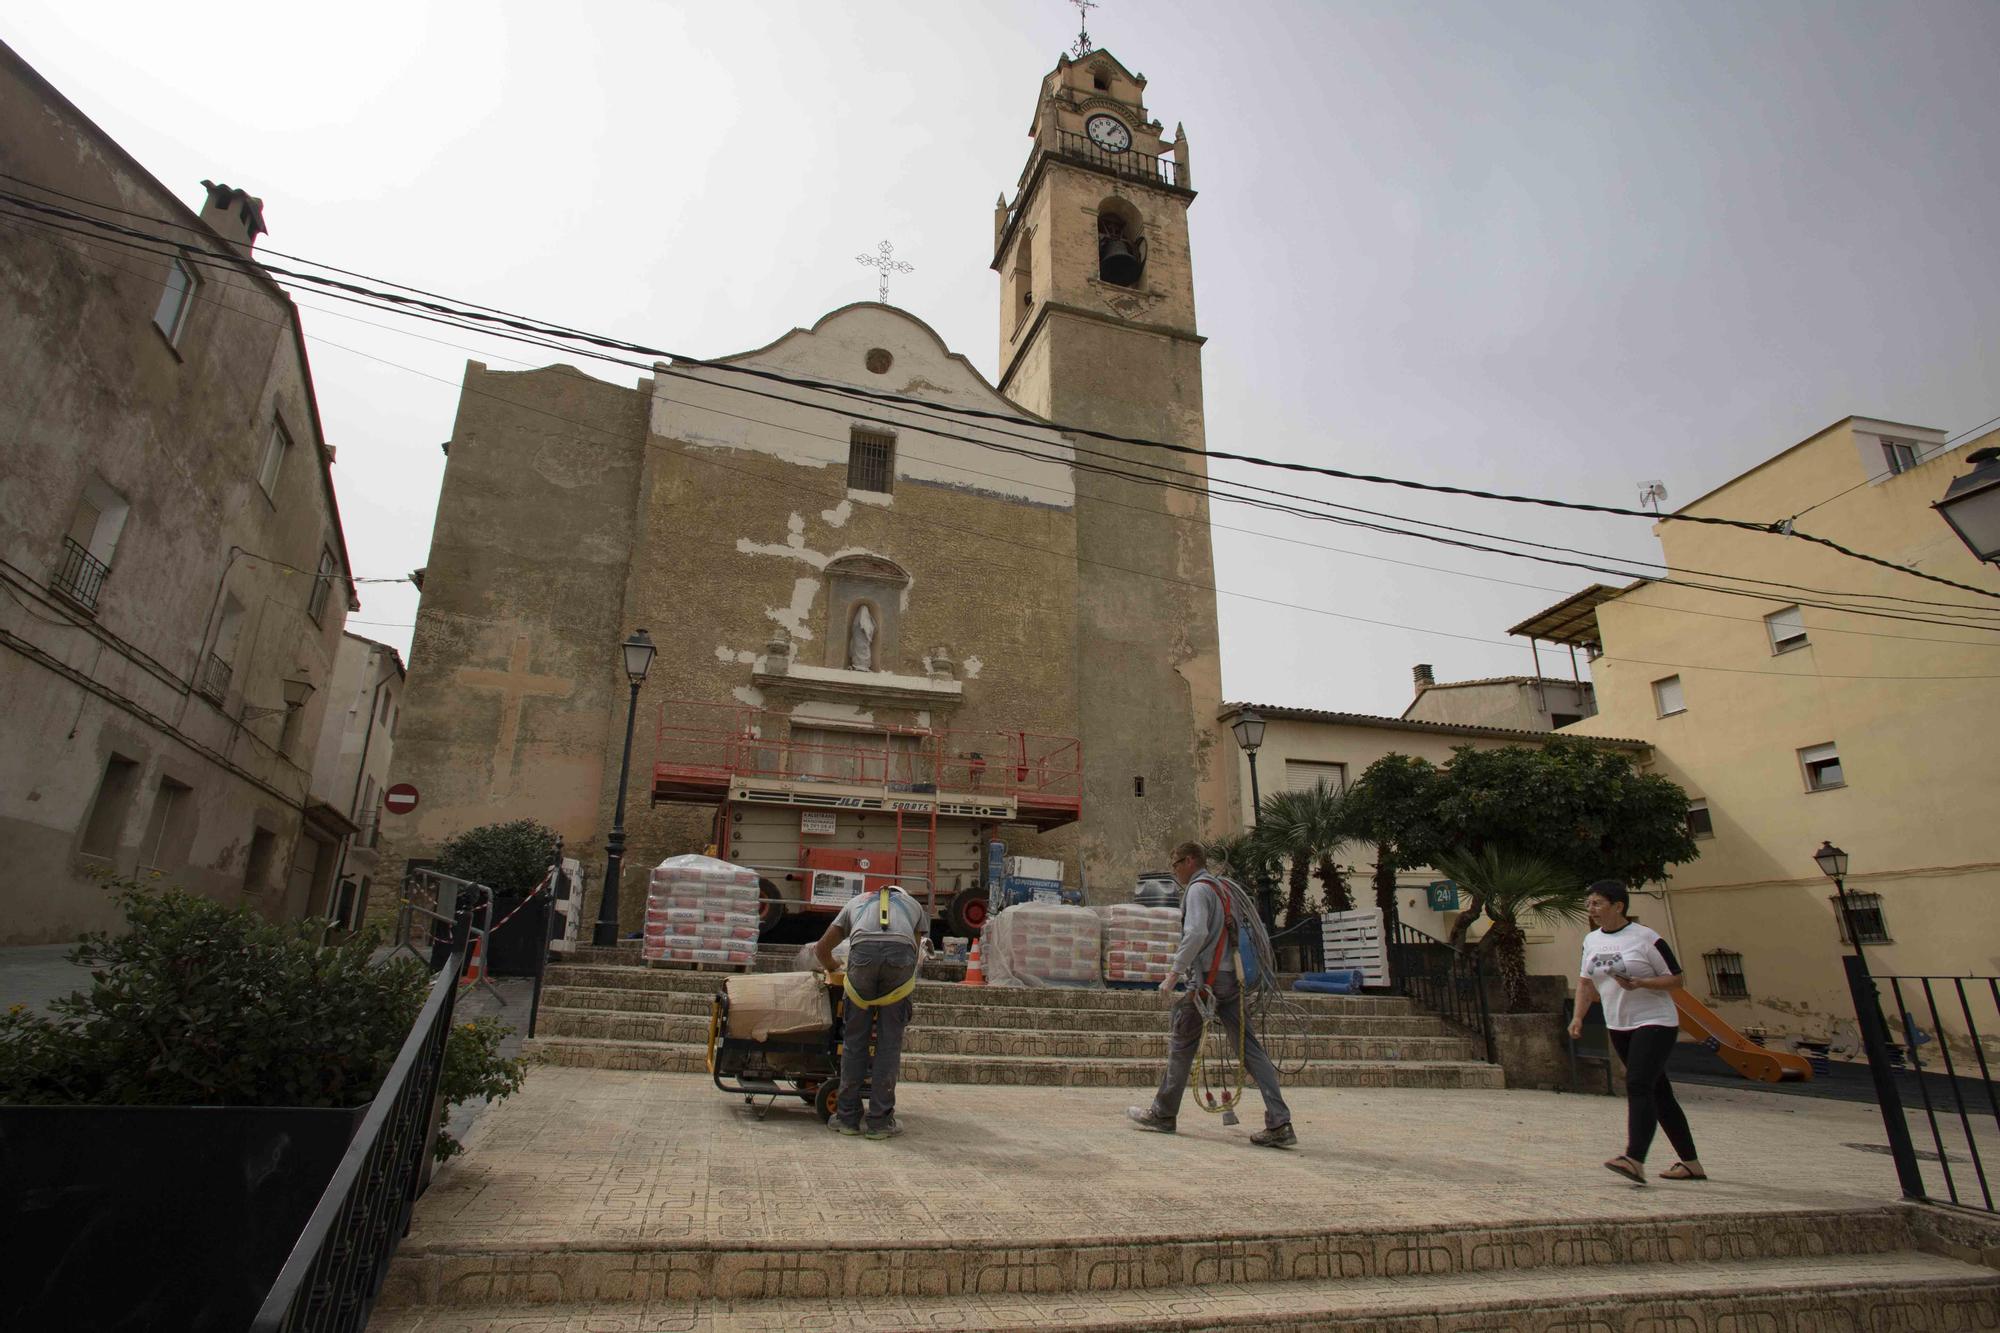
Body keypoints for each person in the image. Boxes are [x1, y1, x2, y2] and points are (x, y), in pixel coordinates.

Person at [1127, 841, 1296, 1148]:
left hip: (1206, 983)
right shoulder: (1222, 890)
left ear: (1190, 860)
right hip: (1231, 980)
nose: (1175, 871)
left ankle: (1163, 1113)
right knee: (1250, 1049)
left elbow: (1195, 934)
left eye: (1176, 863)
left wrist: (1173, 975)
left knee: (1181, 1043)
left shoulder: (1197, 890)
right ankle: (1280, 1121)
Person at [1570, 878, 1706, 1183]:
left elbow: (1676, 979)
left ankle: (1634, 1158)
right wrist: (1578, 1017)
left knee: (1638, 1084)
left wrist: (1641, 983)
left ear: (1618, 906)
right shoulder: (1591, 941)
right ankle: (1691, 1164)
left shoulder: (1646, 938)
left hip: (1654, 1021)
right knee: (1660, 1093)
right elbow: (1585, 982)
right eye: (1589, 903)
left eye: (1597, 903)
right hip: (1618, 1023)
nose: (1591, 908)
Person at [815, 882, 929, 1140]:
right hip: (900, 958)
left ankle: (847, 1118)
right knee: (889, 1045)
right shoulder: (915, 908)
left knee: (854, 1042)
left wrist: (835, 966)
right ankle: (880, 1122)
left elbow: (820, 949)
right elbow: (914, 953)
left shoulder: (855, 903)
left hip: (862, 956)